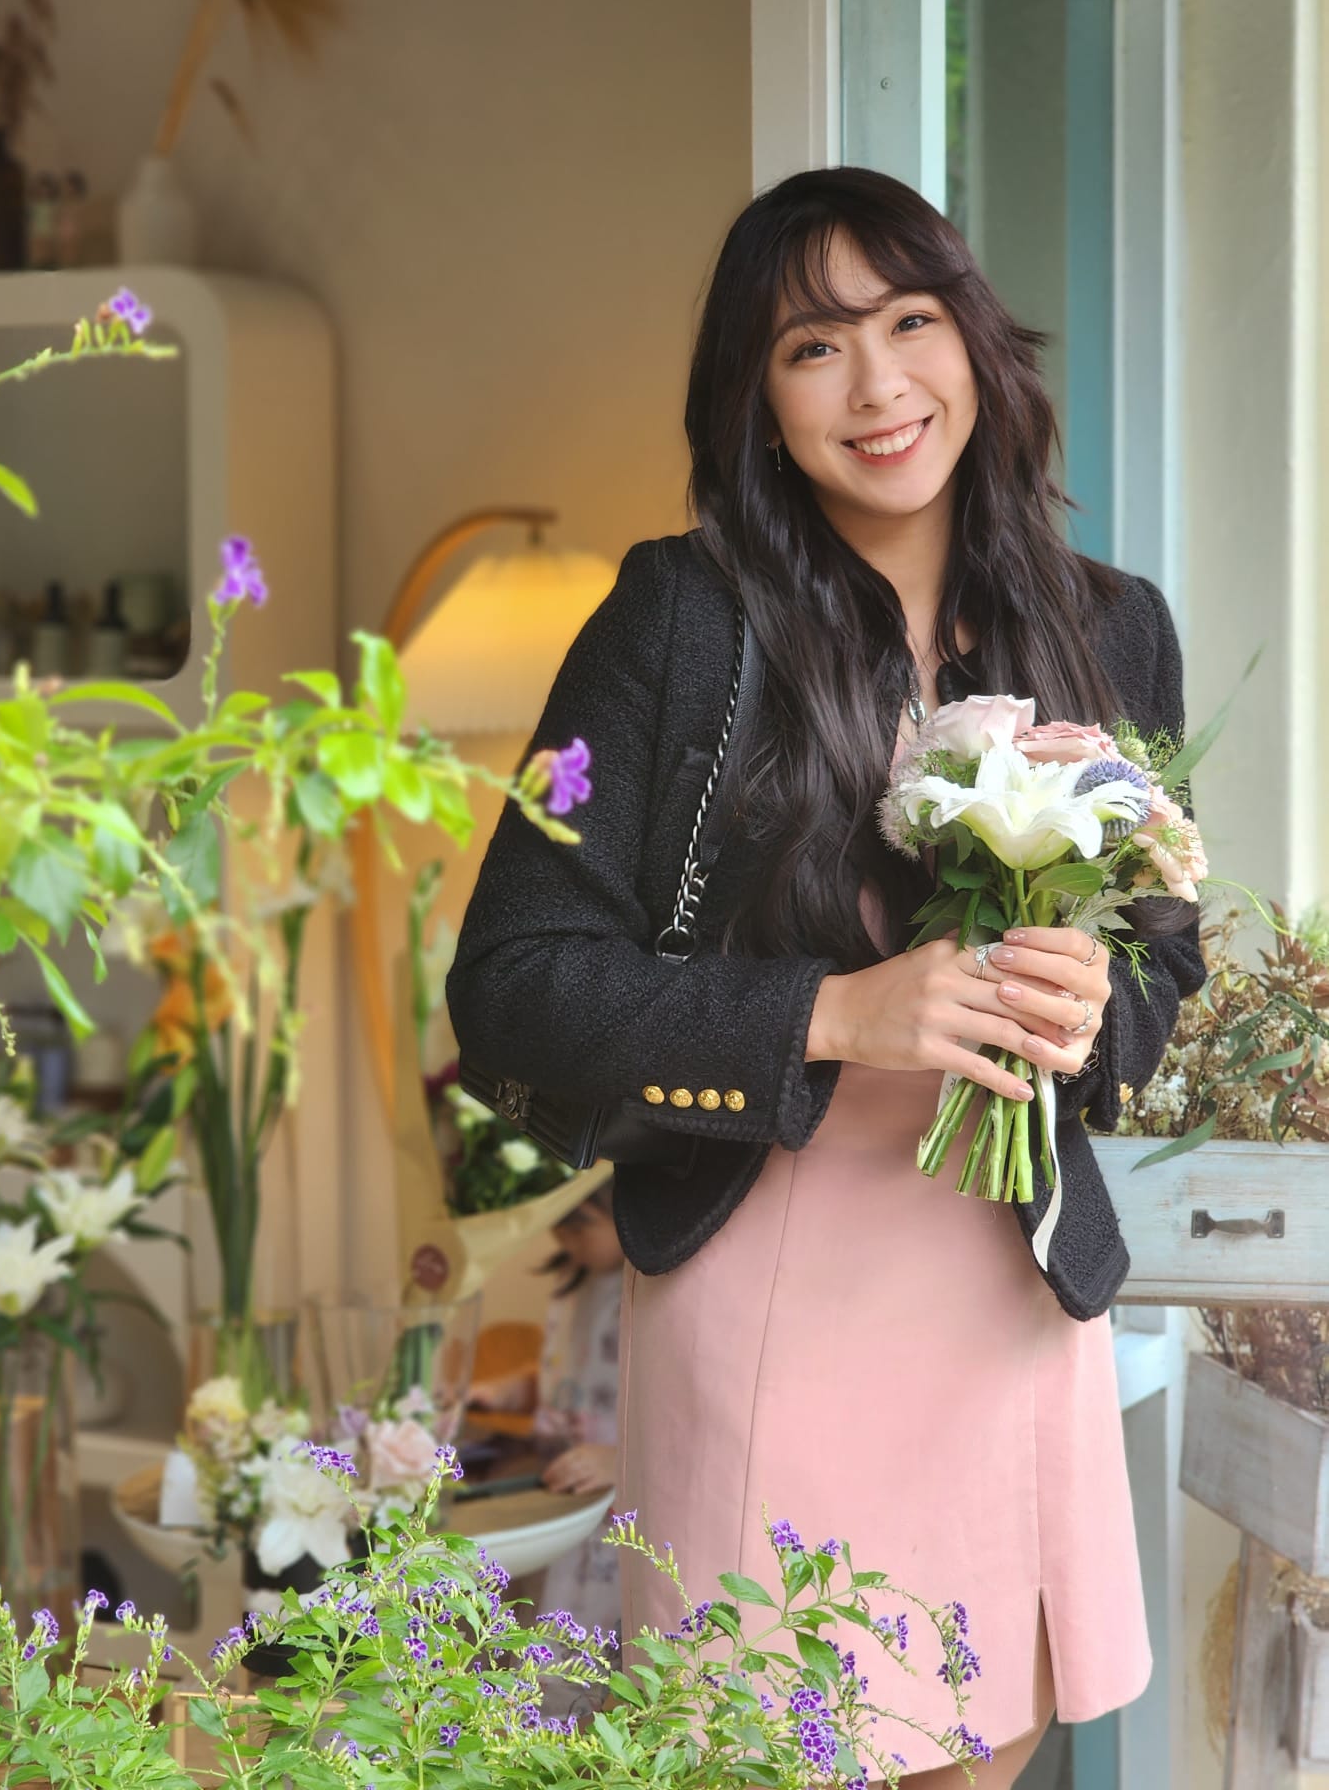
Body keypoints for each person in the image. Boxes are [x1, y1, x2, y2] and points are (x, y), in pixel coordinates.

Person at [447, 167, 1204, 1788]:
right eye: (814, 346)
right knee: (770, 1746)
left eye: (911, 323)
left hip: (1005, 1295)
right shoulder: (678, 626)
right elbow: (512, 980)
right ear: (755, 399)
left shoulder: (1111, 630)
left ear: (977, 348)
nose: (878, 386)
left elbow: (1161, 964)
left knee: (977, 1748)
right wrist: (828, 1013)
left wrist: (1093, 1007)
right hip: (773, 1285)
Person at [467, 1182, 624, 1657]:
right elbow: (560, 1373)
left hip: (613, 1501)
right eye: (559, 1229)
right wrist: (510, 1389)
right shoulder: (573, 1281)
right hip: (563, 1492)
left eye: (581, 1227)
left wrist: (623, 1459)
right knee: (545, 1629)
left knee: (593, 1643)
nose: (566, 1242)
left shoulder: (646, 1296)